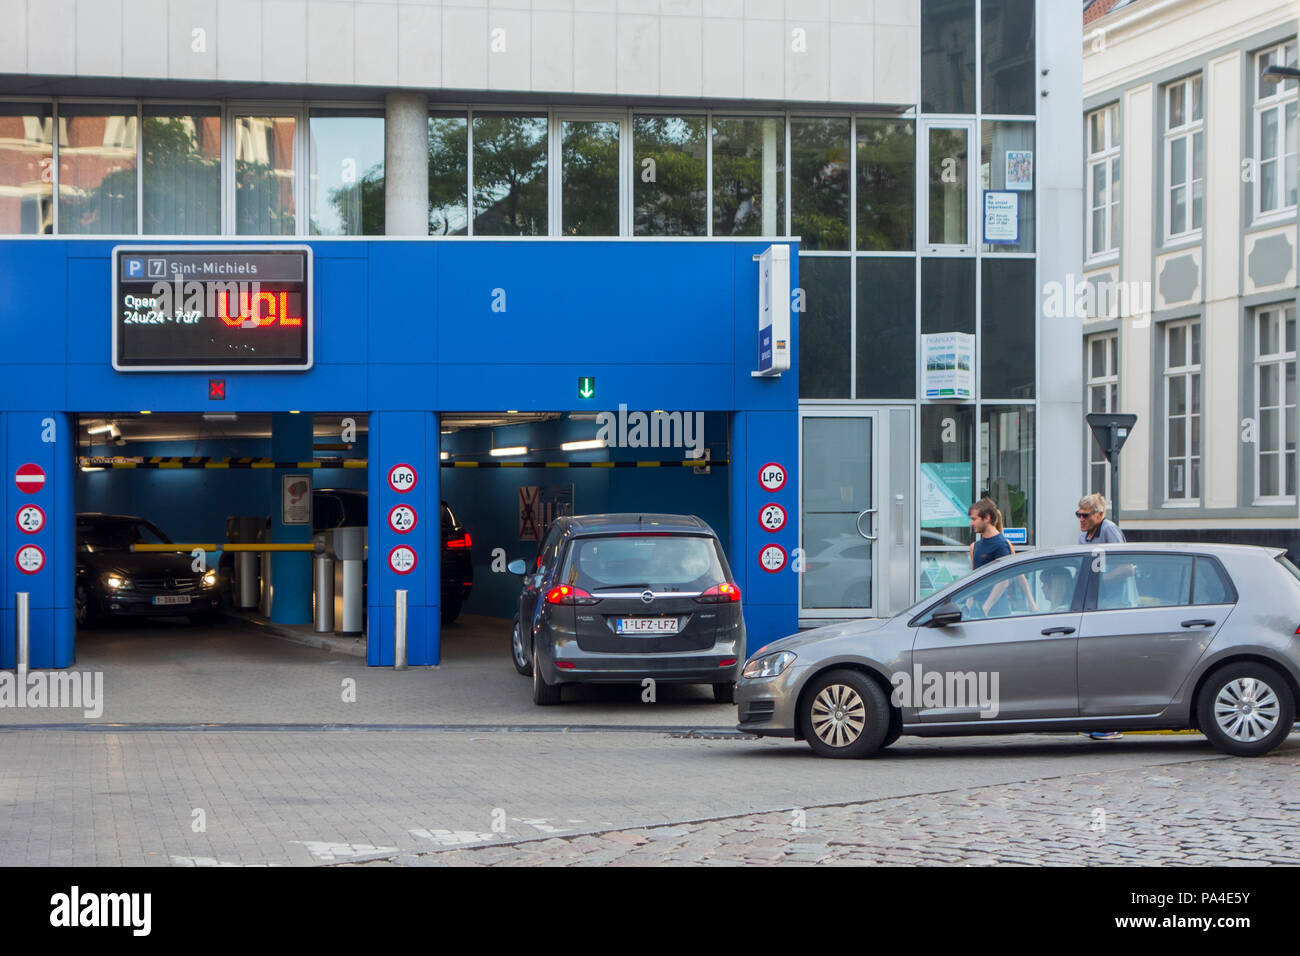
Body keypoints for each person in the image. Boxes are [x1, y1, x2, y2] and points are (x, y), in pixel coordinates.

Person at [1076, 492, 1125, 741]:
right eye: (1079, 514)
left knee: (1107, 662)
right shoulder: (1084, 536)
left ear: (1100, 514)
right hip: (1094, 605)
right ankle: (1095, 718)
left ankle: (1111, 722)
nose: (1081, 519)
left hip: (1113, 605)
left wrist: (1101, 579)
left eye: (1085, 515)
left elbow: (1126, 567)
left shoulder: (1109, 531)